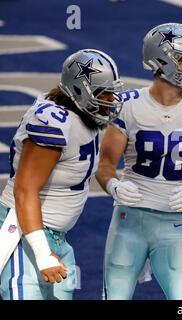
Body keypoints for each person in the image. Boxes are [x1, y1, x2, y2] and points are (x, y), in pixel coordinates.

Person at [95, 22, 182, 300]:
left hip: (177, 220)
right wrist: (114, 186)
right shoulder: (127, 104)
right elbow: (105, 165)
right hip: (130, 216)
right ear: (161, 60)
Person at [0, 49, 124, 300]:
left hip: (55, 237)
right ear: (80, 91)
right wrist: (42, 253)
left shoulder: (78, 113)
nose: (111, 99)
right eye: (104, 93)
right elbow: (24, 190)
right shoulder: (54, 122)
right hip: (24, 233)